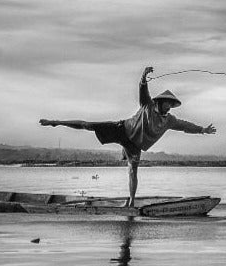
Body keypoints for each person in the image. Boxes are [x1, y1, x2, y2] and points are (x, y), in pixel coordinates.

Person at [40, 66, 216, 207]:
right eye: (168, 103)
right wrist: (143, 78)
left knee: (133, 170)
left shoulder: (170, 120)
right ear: (160, 102)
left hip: (134, 144)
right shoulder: (147, 105)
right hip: (122, 129)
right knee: (88, 125)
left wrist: (202, 130)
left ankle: (131, 201)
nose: (169, 107)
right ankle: (56, 121)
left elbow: (185, 126)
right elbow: (143, 91)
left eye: (171, 104)